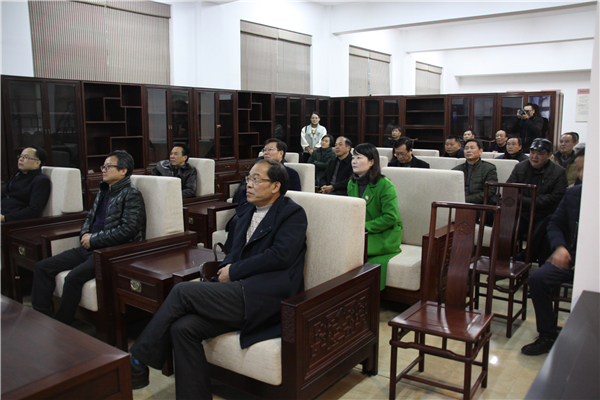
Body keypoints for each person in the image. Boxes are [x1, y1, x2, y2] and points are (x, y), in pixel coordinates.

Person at [128, 159, 308, 399]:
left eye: (256, 179)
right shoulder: (246, 212)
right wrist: (225, 269)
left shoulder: (292, 213)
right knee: (183, 328)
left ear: (276, 186)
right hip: (237, 292)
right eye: (249, 178)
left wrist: (234, 271)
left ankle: (138, 360)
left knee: (182, 291)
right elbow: (231, 252)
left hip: (266, 298)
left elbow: (280, 256)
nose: (248, 185)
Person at [31, 150, 146, 325]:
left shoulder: (131, 194)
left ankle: (61, 324)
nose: (103, 170)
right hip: (89, 246)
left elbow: (128, 230)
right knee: (42, 267)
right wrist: (85, 234)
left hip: (109, 251)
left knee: (73, 278)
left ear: (123, 171)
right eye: (103, 166)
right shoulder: (104, 189)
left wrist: (93, 239)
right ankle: (41, 317)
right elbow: (90, 216)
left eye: (108, 167)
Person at [521, 148, 584, 356]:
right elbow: (555, 223)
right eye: (579, 170)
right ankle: (547, 335)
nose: (581, 175)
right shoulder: (573, 194)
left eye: (586, 169)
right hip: (569, 256)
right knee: (538, 279)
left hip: (592, 262)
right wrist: (560, 247)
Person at [347, 143, 402, 291]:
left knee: (352, 252)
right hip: (360, 232)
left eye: (359, 158)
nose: (354, 161)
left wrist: (363, 227)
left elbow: (390, 217)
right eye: (353, 158)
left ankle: (363, 295)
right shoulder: (352, 183)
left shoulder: (385, 185)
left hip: (383, 233)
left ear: (371, 162)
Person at [507, 138, 568, 263]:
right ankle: (504, 261)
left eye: (540, 154)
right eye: (532, 152)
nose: (534, 157)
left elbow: (556, 197)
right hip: (521, 211)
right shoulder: (520, 167)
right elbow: (510, 191)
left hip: (543, 214)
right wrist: (530, 202)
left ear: (549, 155)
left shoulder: (559, 172)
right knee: (507, 226)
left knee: (543, 231)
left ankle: (526, 257)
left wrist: (527, 201)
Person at [237, 138, 301, 205]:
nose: (266, 153)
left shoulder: (291, 173)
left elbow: (293, 197)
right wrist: (245, 204)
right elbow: (243, 189)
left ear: (281, 153)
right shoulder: (255, 170)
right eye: (264, 150)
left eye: (270, 149)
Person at [1, 146, 51, 222]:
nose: (20, 159)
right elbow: (3, 195)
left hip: (14, 221)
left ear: (37, 163)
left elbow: (34, 210)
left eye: (26, 157)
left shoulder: (41, 180)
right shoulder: (17, 175)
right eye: (20, 156)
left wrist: (5, 218)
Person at [452, 139, 498, 204]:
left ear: (480, 151)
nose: (468, 150)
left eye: (472, 148)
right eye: (466, 148)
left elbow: (490, 192)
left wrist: (465, 199)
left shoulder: (489, 168)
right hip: (457, 203)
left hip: (478, 204)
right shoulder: (456, 170)